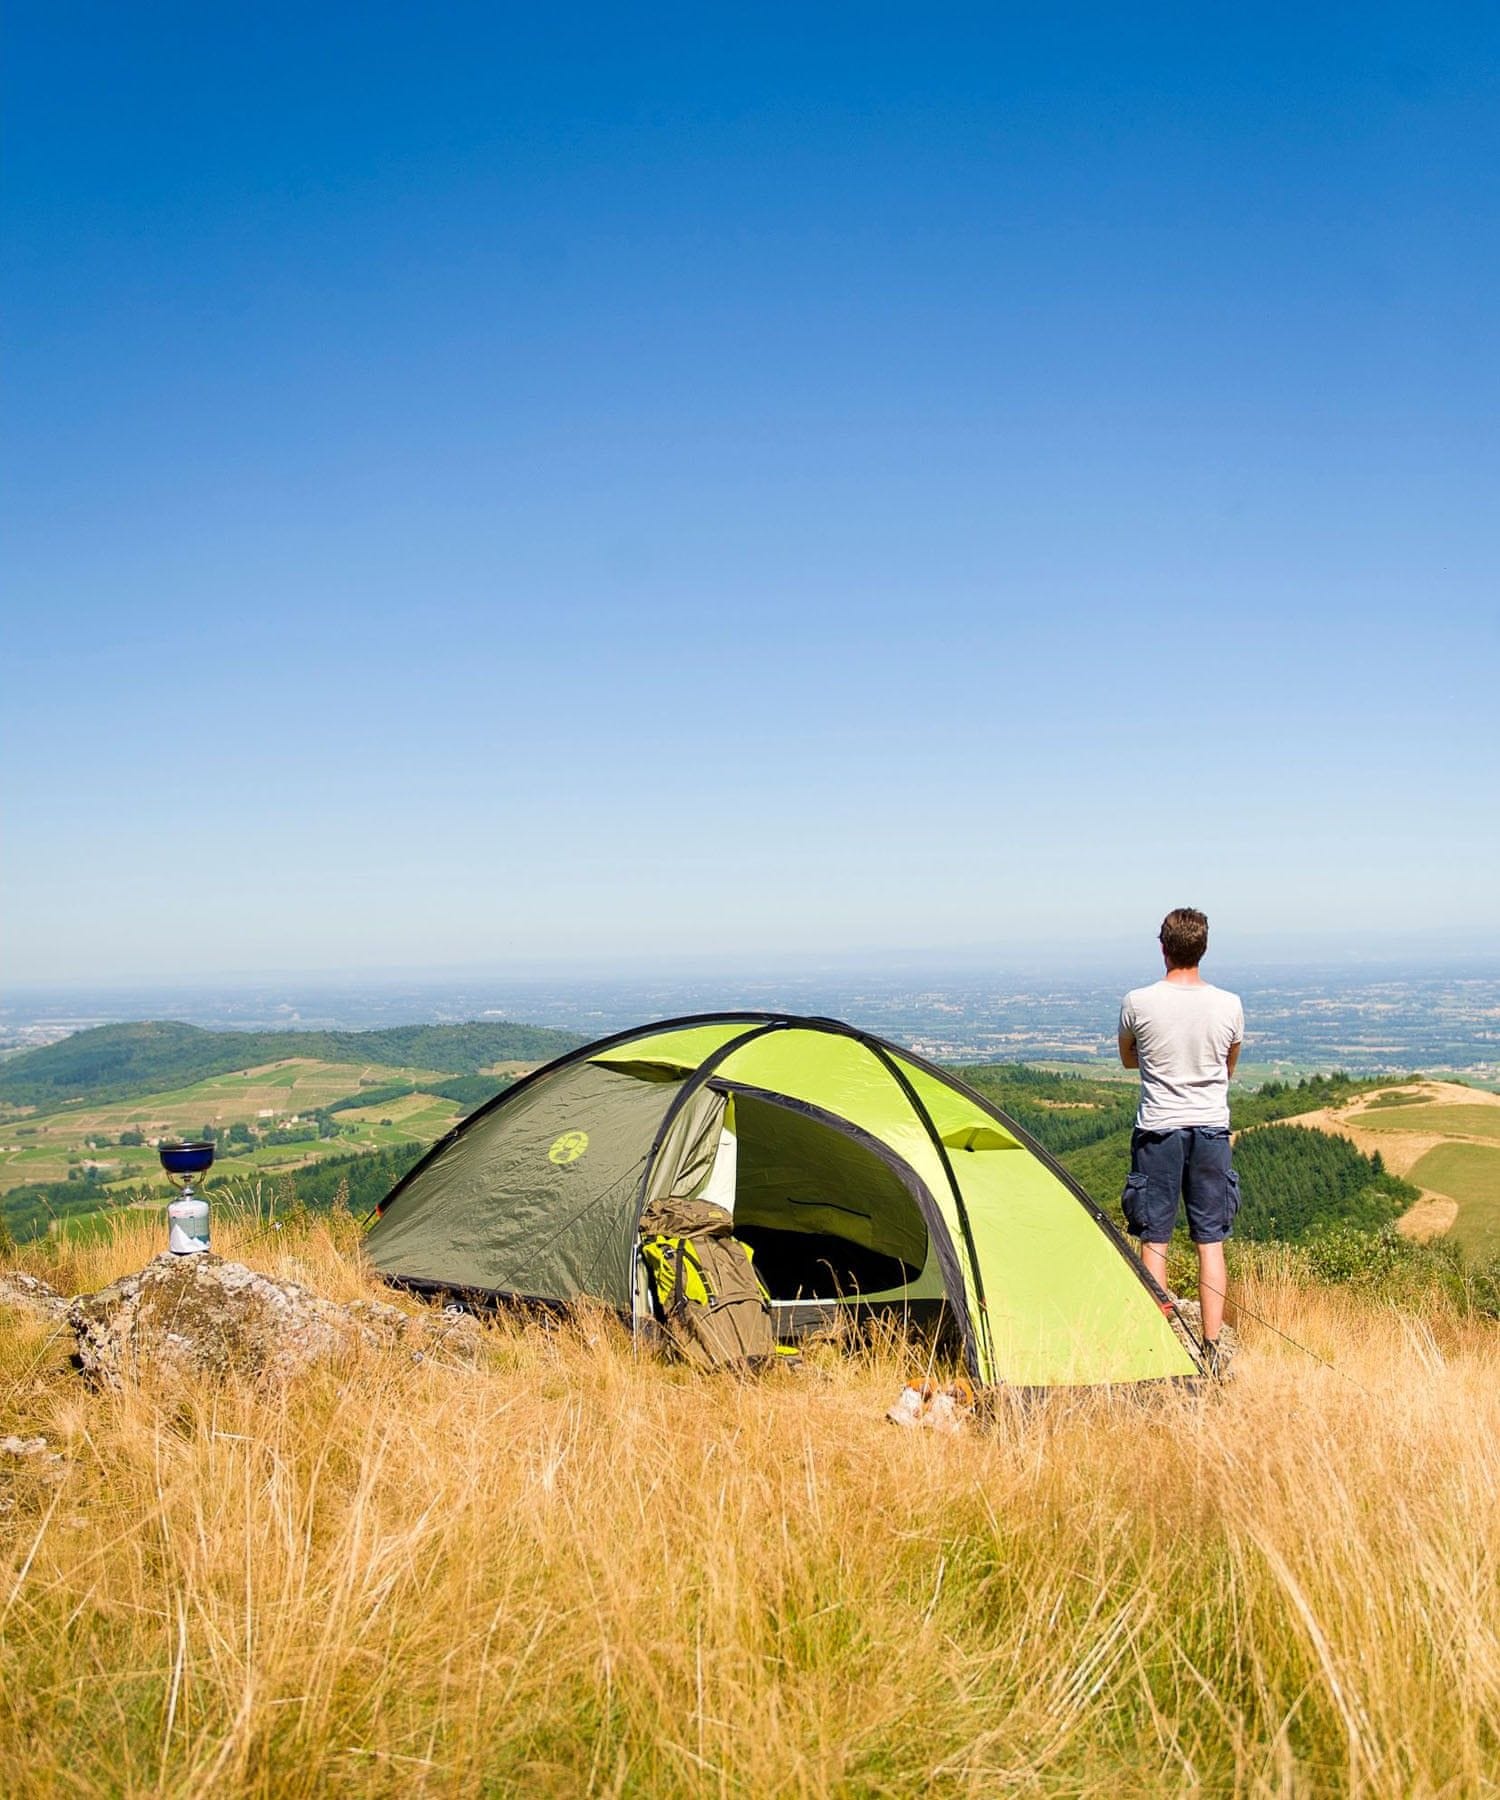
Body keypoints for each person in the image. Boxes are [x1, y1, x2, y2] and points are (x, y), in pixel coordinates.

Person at [1118, 908, 1244, 1374]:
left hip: (1158, 1129)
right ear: (1203, 948)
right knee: (1210, 1243)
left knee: (1156, 1241)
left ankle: (1157, 1347)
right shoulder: (1230, 1005)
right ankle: (1212, 1347)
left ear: (1163, 946)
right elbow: (1228, 1067)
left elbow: (1130, 1059)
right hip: (1211, 1129)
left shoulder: (1138, 1001)